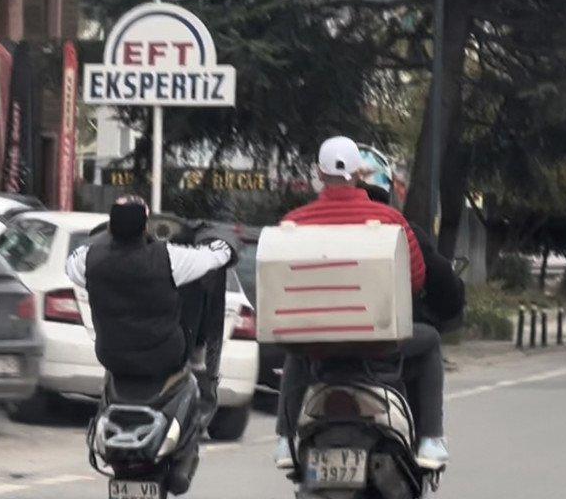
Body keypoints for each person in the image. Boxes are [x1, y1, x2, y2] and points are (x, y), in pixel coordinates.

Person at [273, 136, 452, 470]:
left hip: (317, 348)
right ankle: (430, 439)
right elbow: (414, 280)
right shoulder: (389, 220)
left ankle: (285, 440)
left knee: (295, 350)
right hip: (378, 345)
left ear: (318, 173)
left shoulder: (294, 223)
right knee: (429, 342)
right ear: (359, 173)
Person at [65, 195, 236, 420]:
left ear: (110, 226)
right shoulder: (169, 258)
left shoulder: (89, 261)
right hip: (165, 356)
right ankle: (200, 363)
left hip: (112, 356)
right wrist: (220, 239)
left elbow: (72, 261)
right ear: (145, 227)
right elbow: (214, 258)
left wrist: (103, 238)